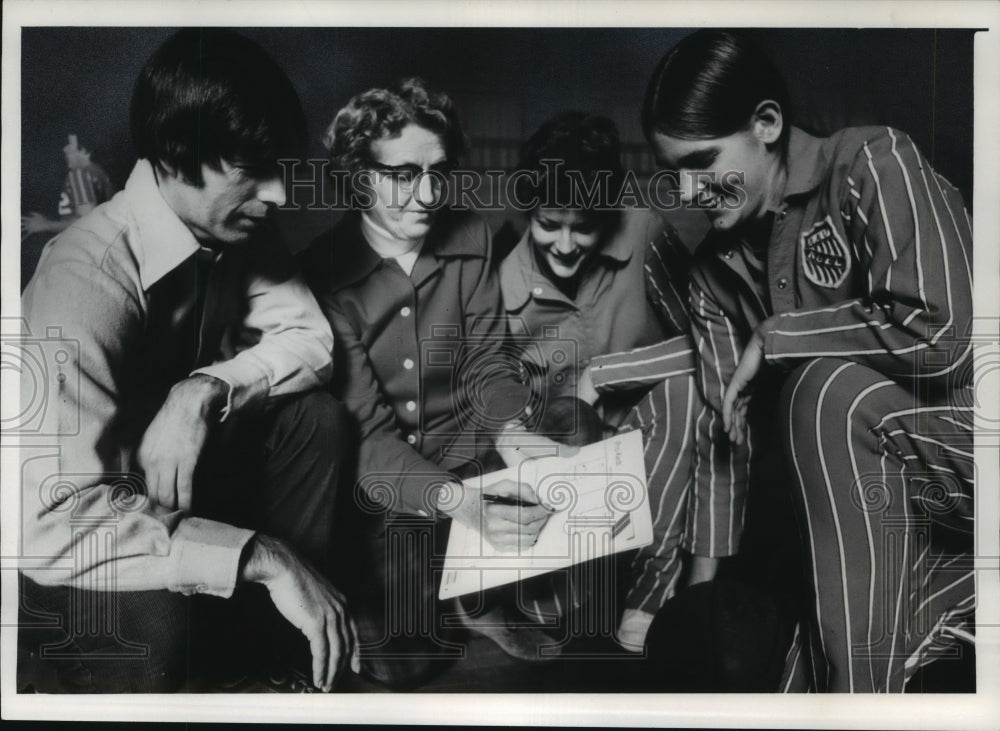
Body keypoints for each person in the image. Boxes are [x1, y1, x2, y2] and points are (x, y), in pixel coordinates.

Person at [17, 28, 357, 694]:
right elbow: (49, 528)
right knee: (156, 623)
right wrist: (261, 555)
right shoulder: (83, 274)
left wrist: (202, 389)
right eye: (252, 169)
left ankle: (274, 660)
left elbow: (314, 342)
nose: (280, 195)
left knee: (317, 420)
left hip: (167, 492)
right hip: (69, 538)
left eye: (279, 167)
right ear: (175, 156)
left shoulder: (237, 223)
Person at [642, 30, 974, 692]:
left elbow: (946, 337)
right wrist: (697, 606)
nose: (687, 188)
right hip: (872, 516)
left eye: (703, 160)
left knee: (826, 393)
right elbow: (723, 447)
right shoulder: (712, 272)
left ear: (767, 123)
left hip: (969, 451)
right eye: (671, 169)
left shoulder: (874, 162)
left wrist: (780, 335)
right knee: (752, 659)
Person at [300, 78, 576, 687]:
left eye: (438, 171)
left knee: (555, 489)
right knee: (409, 666)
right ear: (357, 176)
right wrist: (460, 505)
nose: (427, 195)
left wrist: (514, 435)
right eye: (402, 175)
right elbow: (366, 436)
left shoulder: (472, 237)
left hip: (469, 448)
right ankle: (438, 593)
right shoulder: (321, 275)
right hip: (383, 479)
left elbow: (487, 363)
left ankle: (482, 595)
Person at [497, 111, 718, 651]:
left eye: (585, 225)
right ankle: (562, 591)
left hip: (655, 455)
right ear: (527, 210)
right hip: (562, 469)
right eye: (549, 224)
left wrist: (605, 374)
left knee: (687, 391)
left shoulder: (646, 233)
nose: (567, 245)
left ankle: (649, 593)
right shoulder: (502, 281)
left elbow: (713, 345)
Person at [21, 134, 117, 286]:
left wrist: (45, 224)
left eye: (71, 146)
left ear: (85, 151)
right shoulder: (99, 173)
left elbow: (86, 222)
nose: (65, 149)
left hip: (79, 251)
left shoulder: (79, 174)